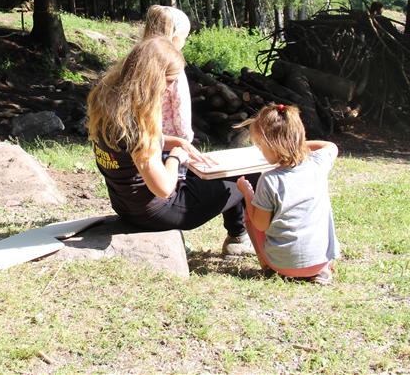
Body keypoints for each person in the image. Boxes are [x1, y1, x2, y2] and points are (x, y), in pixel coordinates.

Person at [87, 36, 255, 255]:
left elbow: (129, 148)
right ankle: (241, 238)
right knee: (241, 179)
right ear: (152, 78)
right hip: (156, 212)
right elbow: (164, 188)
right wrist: (175, 157)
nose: (169, 88)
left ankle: (238, 236)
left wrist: (177, 142)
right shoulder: (137, 123)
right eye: (169, 81)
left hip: (124, 204)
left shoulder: (109, 102)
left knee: (212, 172)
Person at [235, 103, 341, 284]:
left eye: (260, 145)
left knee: (251, 213)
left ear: (274, 144)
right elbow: (330, 146)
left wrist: (247, 192)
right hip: (321, 260)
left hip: (283, 265)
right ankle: (321, 271)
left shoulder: (269, 179)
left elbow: (260, 224)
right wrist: (296, 144)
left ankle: (267, 266)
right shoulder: (318, 163)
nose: (259, 150)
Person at [142, 5, 194, 143]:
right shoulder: (174, 70)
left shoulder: (137, 63)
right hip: (168, 144)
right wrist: (185, 140)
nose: (184, 41)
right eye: (185, 37)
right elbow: (181, 110)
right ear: (175, 37)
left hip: (139, 140)